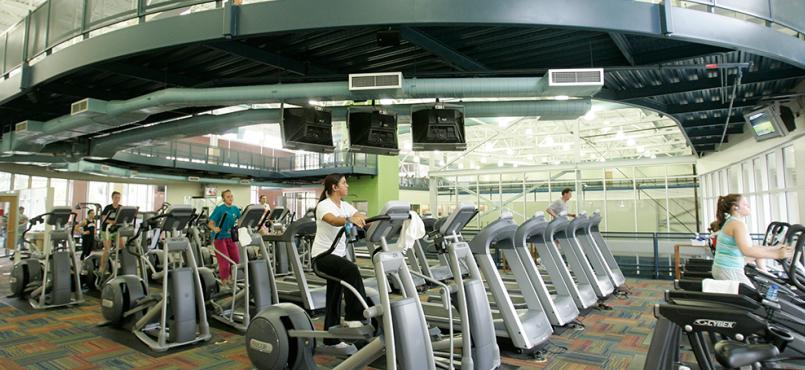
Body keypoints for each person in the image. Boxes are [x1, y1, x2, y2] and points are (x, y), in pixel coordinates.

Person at [311, 174, 369, 354]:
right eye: (344, 183)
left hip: (337, 256)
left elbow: (357, 214)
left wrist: (357, 216)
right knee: (351, 269)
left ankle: (331, 338)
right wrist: (349, 220)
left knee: (334, 295)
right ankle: (354, 317)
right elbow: (333, 220)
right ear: (335, 187)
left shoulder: (344, 205)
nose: (348, 186)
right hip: (322, 256)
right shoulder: (324, 205)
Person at [709, 194, 793, 287]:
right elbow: (747, 251)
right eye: (745, 204)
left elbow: (750, 248)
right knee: (754, 297)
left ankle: (766, 273)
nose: (748, 206)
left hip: (725, 268)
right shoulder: (736, 224)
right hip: (729, 270)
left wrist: (774, 248)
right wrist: (777, 254)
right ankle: (766, 273)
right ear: (735, 207)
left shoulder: (734, 222)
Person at [209, 189, 241, 287]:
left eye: (231, 196)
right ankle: (224, 281)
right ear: (223, 199)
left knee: (236, 259)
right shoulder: (220, 209)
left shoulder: (235, 209)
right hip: (219, 238)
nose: (230, 198)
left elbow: (240, 220)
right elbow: (210, 223)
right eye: (228, 197)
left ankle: (231, 278)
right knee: (225, 261)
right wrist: (214, 228)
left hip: (230, 237)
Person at [99, 192, 122, 279]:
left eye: (119, 197)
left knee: (122, 246)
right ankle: (101, 268)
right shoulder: (108, 207)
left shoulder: (121, 207)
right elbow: (104, 218)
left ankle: (121, 265)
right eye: (116, 197)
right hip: (106, 229)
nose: (117, 199)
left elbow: (121, 217)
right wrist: (113, 222)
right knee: (107, 250)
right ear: (112, 198)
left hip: (115, 229)